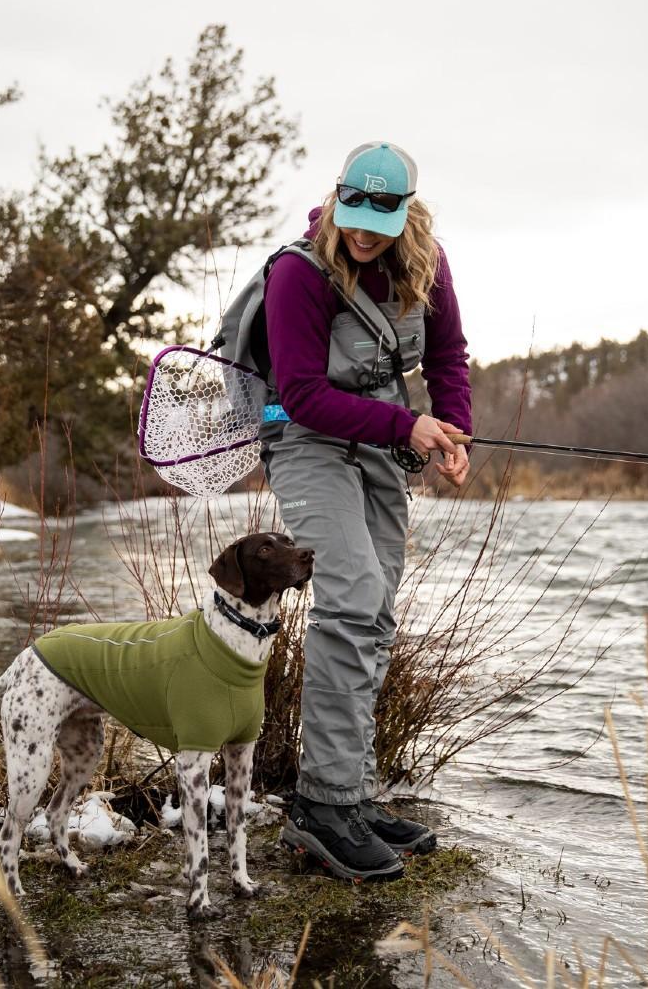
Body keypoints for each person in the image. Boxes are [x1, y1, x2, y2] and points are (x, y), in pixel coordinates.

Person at [261, 141, 473, 882]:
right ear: (340, 198)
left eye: (379, 220)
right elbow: (302, 392)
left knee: (376, 613)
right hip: (308, 444)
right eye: (353, 215)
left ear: (406, 211)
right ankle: (319, 807)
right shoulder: (298, 272)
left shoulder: (429, 261)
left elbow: (449, 357)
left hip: (383, 449)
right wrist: (406, 427)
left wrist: (452, 427)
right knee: (348, 599)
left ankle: (351, 794)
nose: (363, 233)